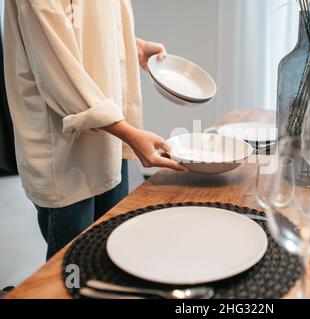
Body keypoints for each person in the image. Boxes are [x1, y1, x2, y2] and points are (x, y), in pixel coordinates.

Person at [3, 0, 186, 260]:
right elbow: (56, 66)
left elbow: (89, 22)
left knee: (108, 247)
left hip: (111, 136)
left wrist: (132, 44)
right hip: (65, 147)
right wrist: (130, 133)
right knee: (72, 265)